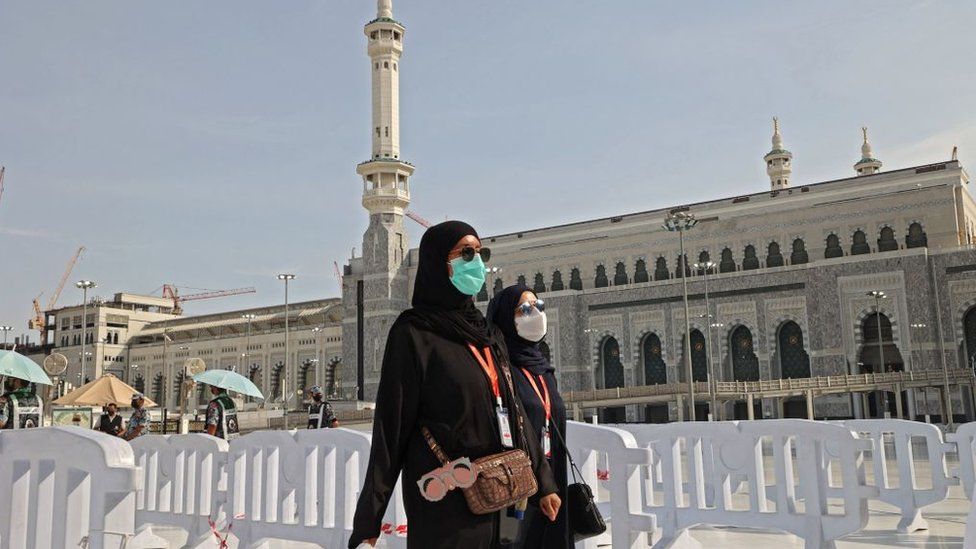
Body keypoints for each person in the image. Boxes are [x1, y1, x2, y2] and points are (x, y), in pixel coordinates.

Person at [350, 220, 561, 549]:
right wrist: (369, 518)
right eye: (465, 253)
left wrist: (544, 481)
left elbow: (516, 413)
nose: (476, 261)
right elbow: (391, 430)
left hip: (500, 496)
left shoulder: (488, 335)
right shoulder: (415, 334)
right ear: (437, 263)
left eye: (480, 252)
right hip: (447, 504)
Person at [489, 285, 570, 549]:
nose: (535, 314)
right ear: (505, 319)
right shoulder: (500, 371)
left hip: (551, 485)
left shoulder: (544, 371)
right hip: (514, 486)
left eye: (538, 306)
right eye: (525, 309)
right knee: (510, 542)